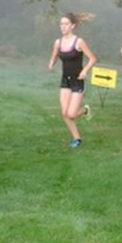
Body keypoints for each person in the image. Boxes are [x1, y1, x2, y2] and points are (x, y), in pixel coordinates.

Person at [48, 13, 97, 148]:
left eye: (66, 24)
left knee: (71, 114)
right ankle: (77, 138)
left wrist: (85, 71)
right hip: (65, 81)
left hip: (78, 81)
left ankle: (85, 110)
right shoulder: (58, 42)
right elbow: (54, 56)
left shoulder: (79, 42)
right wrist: (51, 63)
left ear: (72, 26)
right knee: (65, 113)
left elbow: (93, 58)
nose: (63, 27)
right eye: (61, 24)